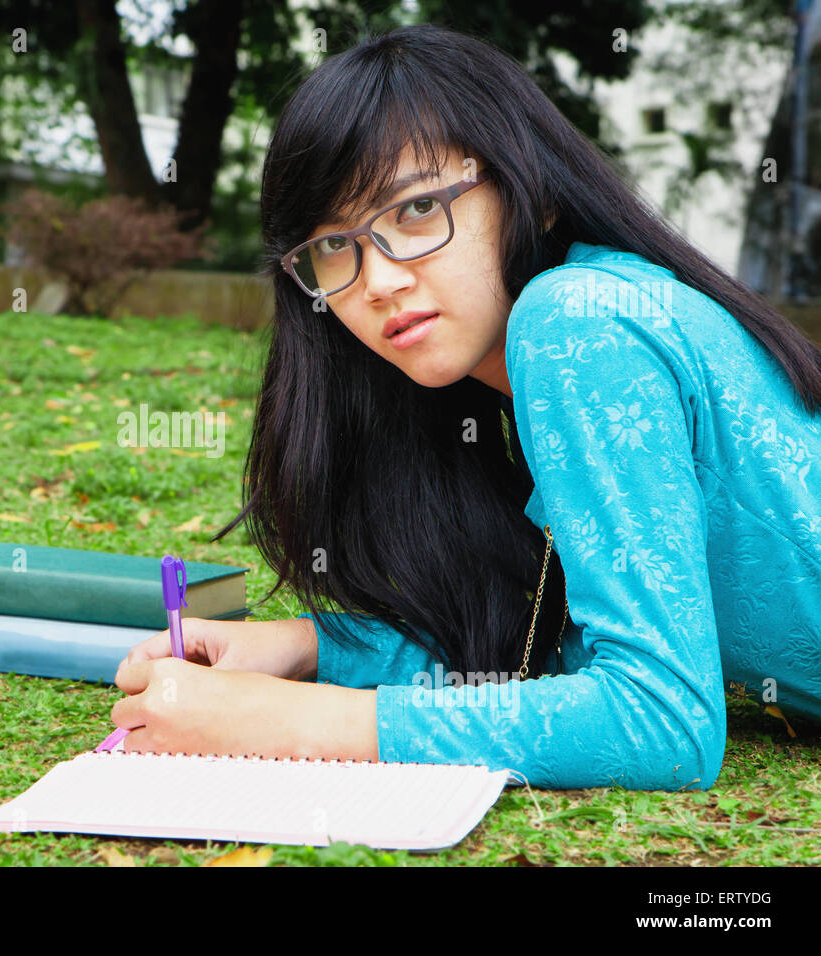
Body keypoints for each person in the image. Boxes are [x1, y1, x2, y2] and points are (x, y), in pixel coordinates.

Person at [110, 24, 821, 791]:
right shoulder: (538, 350)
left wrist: (279, 723)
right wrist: (315, 648)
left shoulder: (579, 323)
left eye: (415, 210)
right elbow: (558, 663)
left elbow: (661, 722)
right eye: (333, 247)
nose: (376, 280)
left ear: (534, 194)